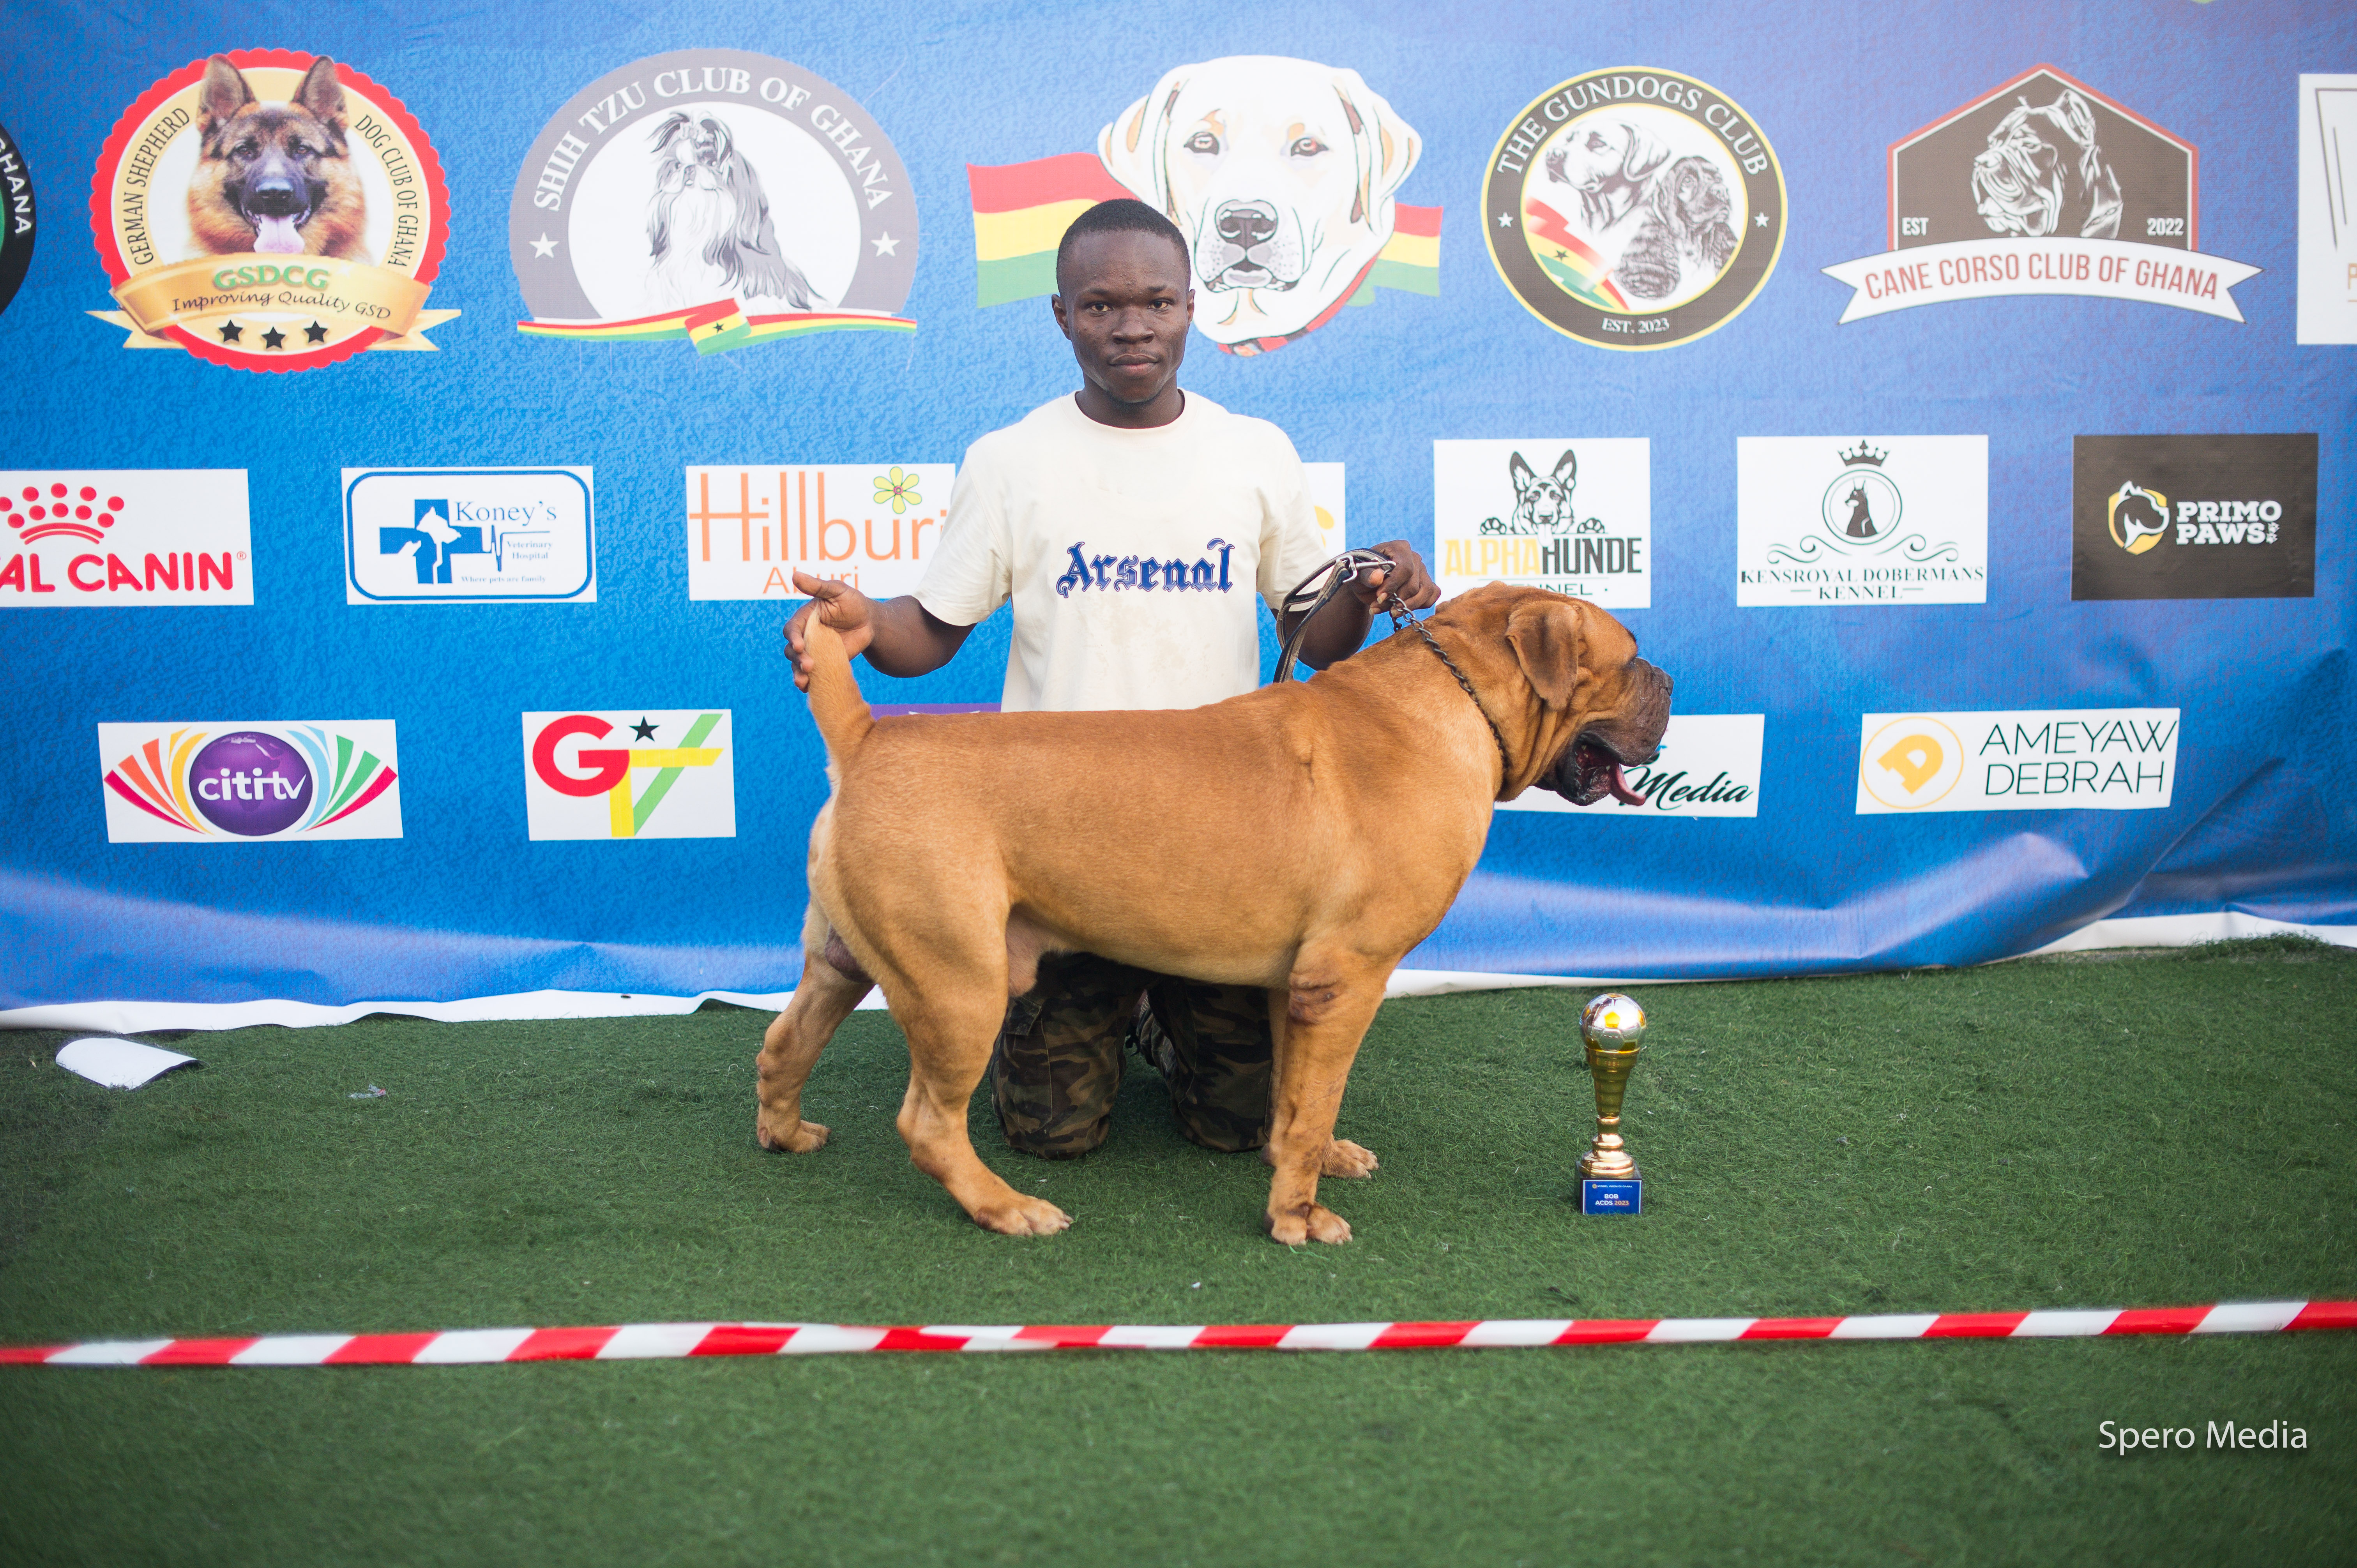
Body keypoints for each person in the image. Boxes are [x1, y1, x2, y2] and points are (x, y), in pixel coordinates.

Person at [783, 198, 1440, 1162]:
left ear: (1192, 308)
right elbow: (932, 630)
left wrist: (1368, 587)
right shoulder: (1010, 460)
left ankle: (1160, 1020)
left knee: (1239, 1128)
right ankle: (1110, 1011)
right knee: (1049, 1135)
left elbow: (1316, 635)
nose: (1133, 326)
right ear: (1062, 316)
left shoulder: (1253, 451)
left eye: (1157, 302)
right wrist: (868, 624)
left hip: (1225, 835)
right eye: (1101, 306)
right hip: (1062, 838)